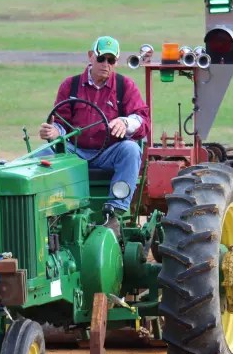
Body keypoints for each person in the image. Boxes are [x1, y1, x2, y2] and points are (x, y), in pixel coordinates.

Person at [38, 36, 150, 237]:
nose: (106, 65)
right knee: (44, 154)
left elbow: (142, 119)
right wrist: (55, 132)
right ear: (90, 57)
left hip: (109, 151)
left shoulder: (125, 86)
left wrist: (125, 122)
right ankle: (46, 210)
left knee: (131, 149)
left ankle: (113, 213)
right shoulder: (70, 86)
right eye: (101, 59)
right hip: (76, 153)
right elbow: (61, 124)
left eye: (111, 60)